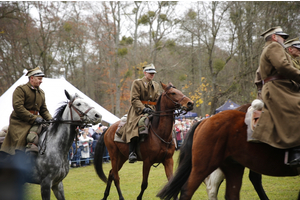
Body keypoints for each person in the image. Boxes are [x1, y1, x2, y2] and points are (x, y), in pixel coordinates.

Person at [252, 26, 300, 165]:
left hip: (283, 87)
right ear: (274, 37)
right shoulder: (274, 47)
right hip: (278, 89)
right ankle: (296, 152)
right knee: (296, 109)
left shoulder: (274, 48)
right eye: (282, 37)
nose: (284, 39)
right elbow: (283, 67)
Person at [0, 67, 52, 157]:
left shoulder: (41, 93)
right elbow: (18, 107)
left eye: (41, 79)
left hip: (36, 121)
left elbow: (43, 110)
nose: (41, 81)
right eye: (39, 79)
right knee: (23, 138)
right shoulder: (21, 90)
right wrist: (34, 118)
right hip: (20, 122)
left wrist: (52, 121)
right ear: (32, 78)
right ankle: (20, 156)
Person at [118, 63, 160, 163]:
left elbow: (157, 98)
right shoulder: (137, 83)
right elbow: (134, 99)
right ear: (145, 73)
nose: (152, 75)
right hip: (138, 110)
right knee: (138, 124)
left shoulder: (156, 85)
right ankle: (132, 152)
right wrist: (143, 109)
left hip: (153, 109)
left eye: (153, 73)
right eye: (150, 73)